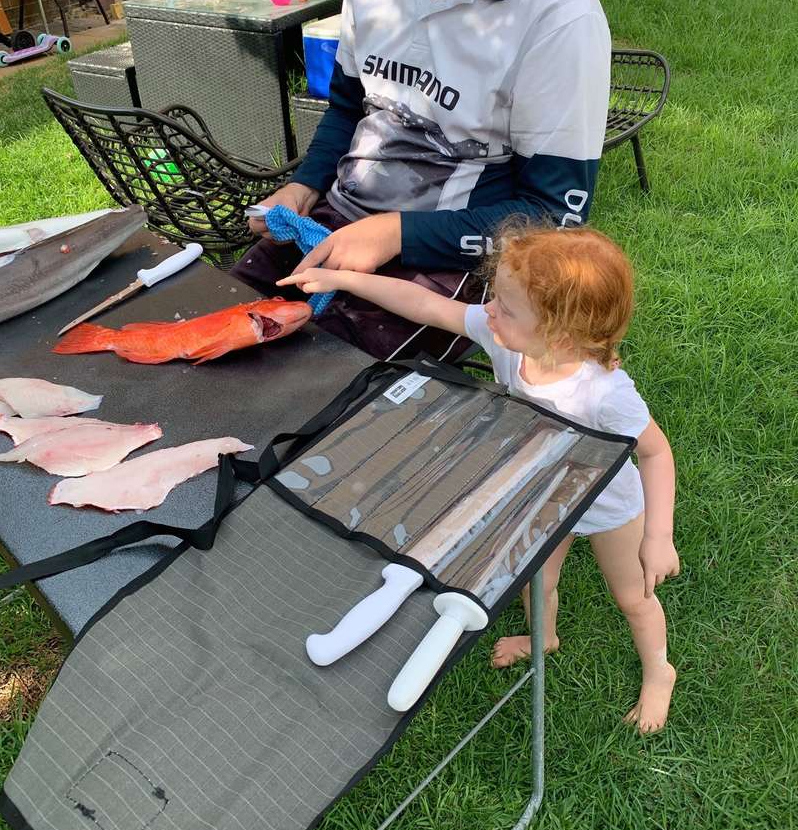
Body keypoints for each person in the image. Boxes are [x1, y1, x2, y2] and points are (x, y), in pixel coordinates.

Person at [232, 0, 611, 361]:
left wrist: (396, 235)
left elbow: (553, 218)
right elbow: (349, 106)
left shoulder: (557, 11)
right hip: (338, 222)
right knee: (222, 330)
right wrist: (305, 186)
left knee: (317, 384)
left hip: (453, 263)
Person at [278, 224, 679, 732]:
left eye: (505, 308)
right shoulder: (507, 338)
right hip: (540, 493)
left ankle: (659, 671)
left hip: (607, 504)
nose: (488, 310)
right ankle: (543, 637)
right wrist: (344, 280)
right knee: (538, 581)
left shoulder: (605, 393)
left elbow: (656, 452)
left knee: (633, 598)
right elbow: (425, 306)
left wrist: (658, 536)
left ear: (557, 334)